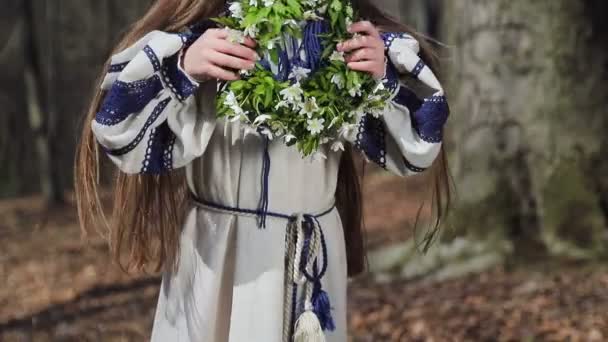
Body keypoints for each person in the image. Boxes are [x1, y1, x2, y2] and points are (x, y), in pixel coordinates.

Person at [75, 0, 451, 340]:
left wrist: (380, 77)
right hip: (219, 253)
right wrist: (185, 67)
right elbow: (118, 131)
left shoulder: (347, 32)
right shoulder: (210, 34)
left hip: (312, 256)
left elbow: (417, 149)